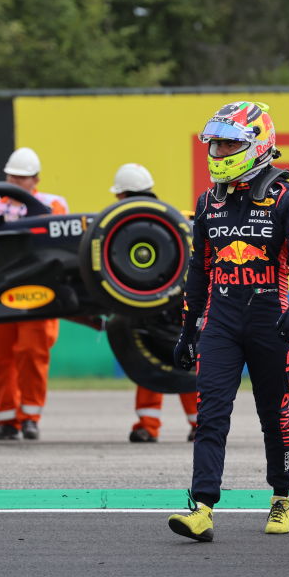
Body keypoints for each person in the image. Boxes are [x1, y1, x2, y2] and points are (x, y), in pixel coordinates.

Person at [167, 101, 289, 542]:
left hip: (269, 318)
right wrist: (187, 328)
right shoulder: (207, 201)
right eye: (215, 142)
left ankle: (281, 497)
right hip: (221, 319)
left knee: (275, 414)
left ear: (258, 144)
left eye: (229, 142)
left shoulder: (288, 198)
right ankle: (202, 508)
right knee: (211, 413)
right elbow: (200, 269)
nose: (218, 151)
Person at [0, 147, 68, 441]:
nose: (17, 183)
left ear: (36, 179)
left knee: (32, 353)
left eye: (23, 178)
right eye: (12, 177)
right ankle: (7, 419)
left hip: (38, 292)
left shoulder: (54, 204)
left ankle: (30, 417)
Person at [110, 163, 200, 444]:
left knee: (149, 366)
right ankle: (200, 425)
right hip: (181, 304)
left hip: (146, 305)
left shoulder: (123, 222)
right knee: (184, 363)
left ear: (123, 195)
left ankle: (147, 426)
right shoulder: (175, 217)